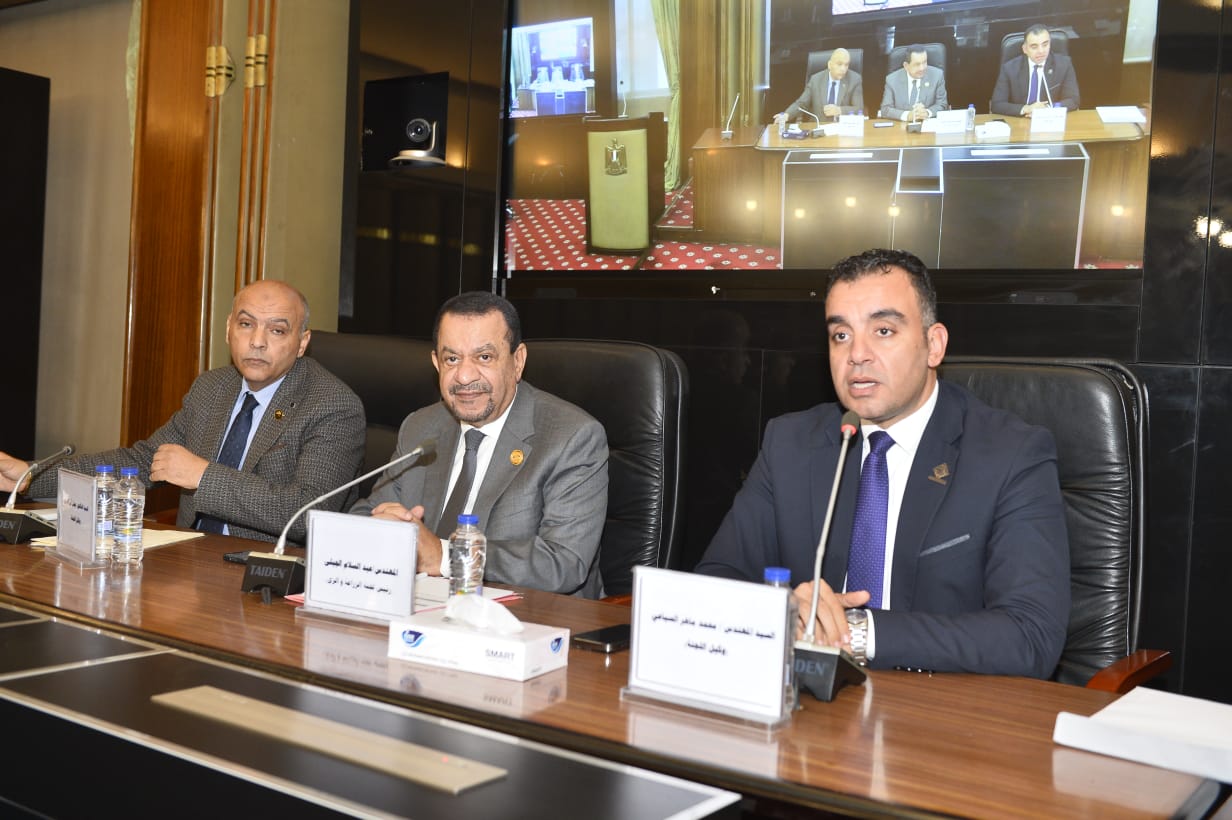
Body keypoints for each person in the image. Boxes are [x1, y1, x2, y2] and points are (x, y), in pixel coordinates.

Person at [694, 249, 1070, 678]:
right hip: (810, 700)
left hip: (940, 705)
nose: (857, 354)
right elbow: (716, 581)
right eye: (841, 335)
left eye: (884, 330)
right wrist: (784, 612)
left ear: (934, 345)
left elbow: (1030, 635)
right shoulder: (791, 444)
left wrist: (856, 632)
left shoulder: (1011, 454)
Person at [0, 280, 366, 544]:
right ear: (228, 330)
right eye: (246, 324)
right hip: (189, 557)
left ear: (302, 342)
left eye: (277, 331)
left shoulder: (332, 405)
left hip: (268, 573)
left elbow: (306, 513)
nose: (257, 341)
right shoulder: (213, 388)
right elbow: (144, 461)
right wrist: (31, 475)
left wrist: (203, 476)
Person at [350, 291, 609, 598]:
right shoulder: (421, 427)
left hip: (528, 615)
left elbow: (562, 563)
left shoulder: (572, 436)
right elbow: (366, 515)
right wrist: (385, 527)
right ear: (436, 363)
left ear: (517, 361)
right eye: (452, 359)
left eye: (484, 357)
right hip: (423, 607)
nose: (464, 376)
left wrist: (446, 557)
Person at [991, 24, 1080, 117]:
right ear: (1025, 49)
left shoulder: (1064, 64)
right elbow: (997, 104)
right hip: (1021, 120)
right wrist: (1026, 109)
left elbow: (1073, 100)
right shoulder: (1009, 68)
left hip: (1050, 119)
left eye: (1045, 45)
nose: (1041, 51)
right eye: (1034, 47)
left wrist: (1048, 108)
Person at [783, 48, 864, 122]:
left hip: (842, 127)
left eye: (846, 65)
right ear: (830, 65)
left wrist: (839, 110)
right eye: (839, 64)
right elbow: (802, 104)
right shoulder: (816, 80)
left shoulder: (854, 79)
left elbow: (859, 109)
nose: (843, 69)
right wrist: (787, 115)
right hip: (819, 126)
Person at [879, 47, 948, 122]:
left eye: (924, 62)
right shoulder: (892, 80)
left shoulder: (937, 75)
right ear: (906, 66)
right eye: (917, 64)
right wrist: (907, 115)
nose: (922, 68)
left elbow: (943, 105)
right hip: (901, 126)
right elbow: (885, 109)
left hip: (928, 124)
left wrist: (927, 113)